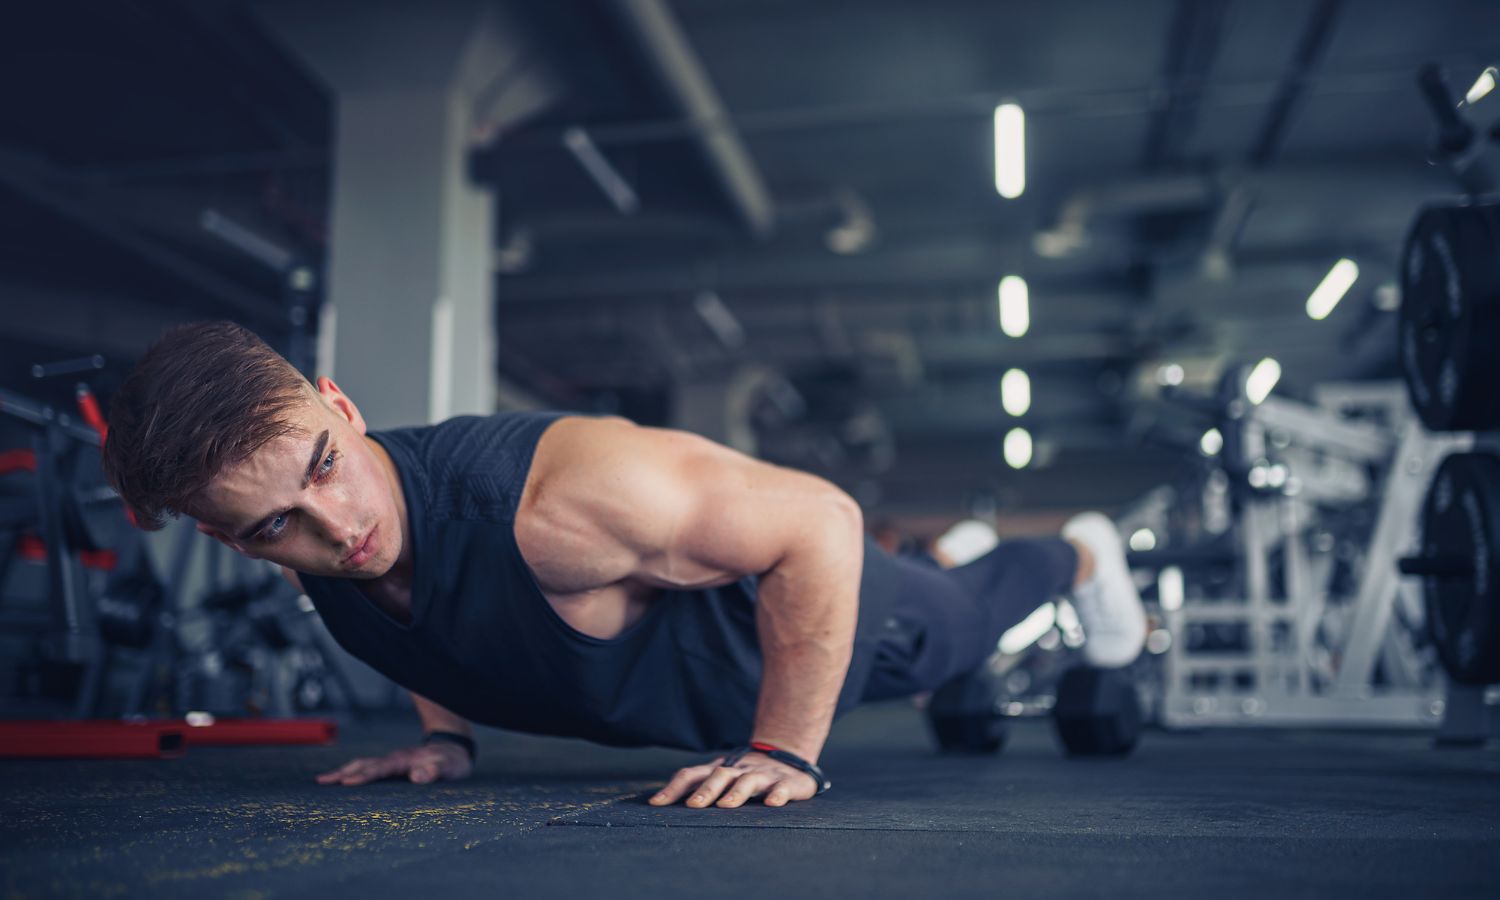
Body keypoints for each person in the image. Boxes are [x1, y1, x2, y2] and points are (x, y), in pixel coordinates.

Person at [101, 322, 1147, 809]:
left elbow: (823, 523)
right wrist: (446, 738)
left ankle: (1077, 550)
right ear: (227, 538)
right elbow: (417, 616)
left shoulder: (567, 504)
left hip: (824, 622)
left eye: (327, 467)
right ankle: (961, 556)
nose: (334, 530)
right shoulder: (300, 548)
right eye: (273, 525)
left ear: (339, 404)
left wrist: (784, 750)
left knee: (963, 621)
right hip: (708, 672)